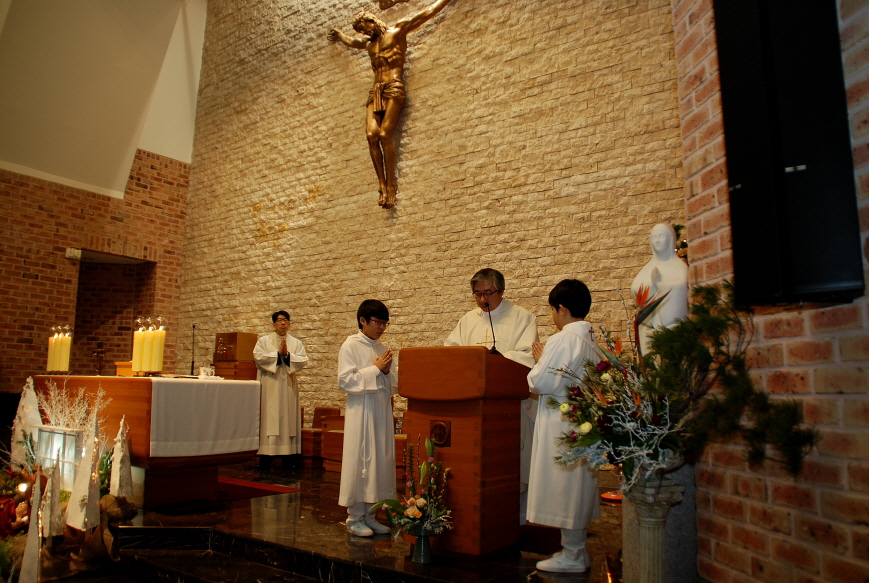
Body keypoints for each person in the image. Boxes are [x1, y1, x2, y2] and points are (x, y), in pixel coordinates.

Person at [327, 0, 455, 209]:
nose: (364, 34)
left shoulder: (398, 31)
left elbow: (428, 12)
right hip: (376, 90)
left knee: (385, 134)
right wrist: (340, 36)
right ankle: (381, 185)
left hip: (393, 86)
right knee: (371, 135)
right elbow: (353, 42)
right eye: (361, 32)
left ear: (371, 21)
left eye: (364, 29)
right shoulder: (369, 44)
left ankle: (391, 186)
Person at [444, 268, 539, 522]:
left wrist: (499, 360)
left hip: (508, 408)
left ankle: (518, 520)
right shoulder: (468, 320)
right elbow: (451, 353)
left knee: (511, 465)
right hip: (473, 409)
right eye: (477, 294)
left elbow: (528, 357)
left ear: (502, 291)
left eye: (488, 293)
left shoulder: (522, 318)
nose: (482, 300)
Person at [527, 279, 601, 573]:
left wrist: (539, 360)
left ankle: (572, 555)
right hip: (583, 423)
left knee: (565, 487)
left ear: (561, 308)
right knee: (577, 487)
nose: (553, 316)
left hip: (562, 424)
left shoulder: (562, 340)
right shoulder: (591, 340)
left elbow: (540, 381)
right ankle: (576, 550)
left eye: (552, 310)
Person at [338, 299, 397, 537]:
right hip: (361, 412)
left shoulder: (382, 348)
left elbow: (393, 385)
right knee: (360, 462)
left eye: (384, 323)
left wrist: (387, 372)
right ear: (362, 320)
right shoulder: (350, 345)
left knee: (378, 463)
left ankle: (370, 516)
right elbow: (345, 381)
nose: (381, 327)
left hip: (380, 411)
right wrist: (375, 369)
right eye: (377, 322)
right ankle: (354, 518)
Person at [253, 311, 309, 471]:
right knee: (269, 418)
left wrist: (287, 355)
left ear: (289, 323)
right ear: (274, 324)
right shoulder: (263, 341)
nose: (283, 323)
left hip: (288, 387)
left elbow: (303, 359)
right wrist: (278, 355)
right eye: (279, 320)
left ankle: (288, 458)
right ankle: (265, 458)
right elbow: (258, 358)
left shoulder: (296, 342)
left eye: (285, 320)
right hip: (270, 386)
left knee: (288, 418)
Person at [630, 223, 689, 355]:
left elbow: (681, 287)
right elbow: (635, 288)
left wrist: (659, 285)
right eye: (654, 237)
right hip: (649, 328)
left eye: (661, 236)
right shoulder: (648, 268)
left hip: (672, 326)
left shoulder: (679, 267)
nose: (657, 240)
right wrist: (652, 286)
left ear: (670, 239)